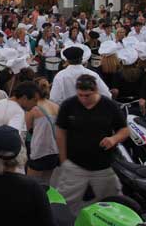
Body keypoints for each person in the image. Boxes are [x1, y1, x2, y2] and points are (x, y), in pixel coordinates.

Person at [53, 74, 129, 215]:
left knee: (113, 203)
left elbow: (124, 130)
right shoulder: (68, 105)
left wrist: (113, 139)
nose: (83, 99)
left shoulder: (109, 106)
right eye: (80, 95)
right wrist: (63, 159)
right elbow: (60, 131)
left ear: (95, 91)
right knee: (63, 204)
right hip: (75, 166)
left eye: (87, 95)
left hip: (103, 167)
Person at [25, 78, 59, 183]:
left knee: (31, 185)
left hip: (39, 152)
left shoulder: (33, 108)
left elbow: (26, 129)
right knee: (47, 185)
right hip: (54, 151)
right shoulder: (56, 106)